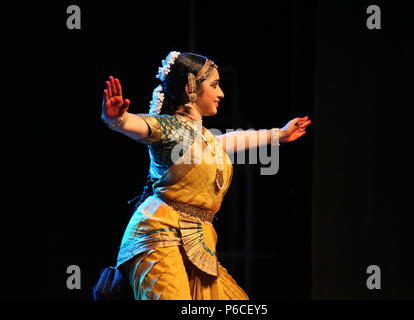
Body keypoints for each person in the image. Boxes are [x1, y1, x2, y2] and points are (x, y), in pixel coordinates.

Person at [93, 51, 312, 300]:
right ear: (191, 87)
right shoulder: (168, 128)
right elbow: (139, 126)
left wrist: (279, 135)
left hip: (198, 241)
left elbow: (231, 140)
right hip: (159, 235)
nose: (221, 94)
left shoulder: (206, 139)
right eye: (215, 85)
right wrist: (116, 119)